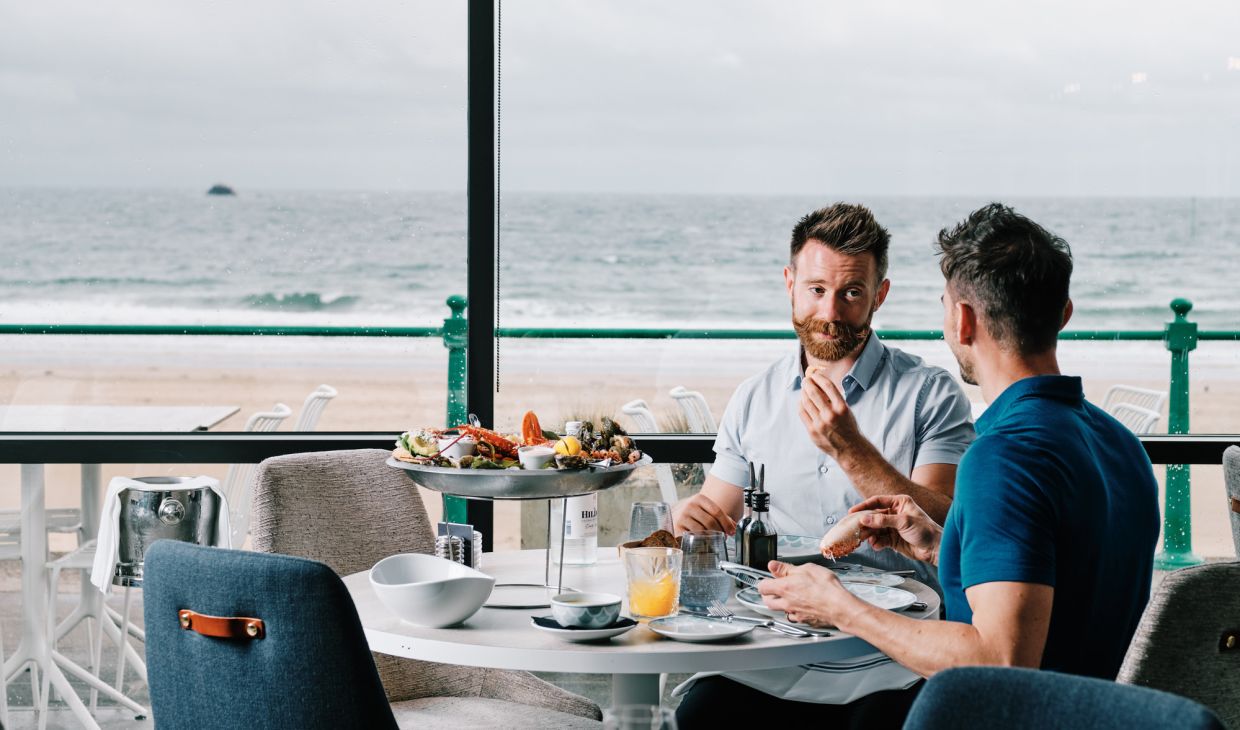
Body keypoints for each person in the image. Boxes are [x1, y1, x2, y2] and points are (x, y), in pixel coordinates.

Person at [751, 203, 1160, 726]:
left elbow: (1001, 661)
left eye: (945, 305)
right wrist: (944, 547)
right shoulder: (1121, 443)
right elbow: (1057, 591)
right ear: (1063, 314)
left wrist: (839, 607)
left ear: (962, 321)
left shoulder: (1003, 458)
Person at [671, 203, 974, 726]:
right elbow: (717, 515)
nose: (831, 311)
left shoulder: (931, 394)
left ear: (879, 294)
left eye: (852, 292)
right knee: (700, 716)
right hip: (768, 646)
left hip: (889, 652)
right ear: (790, 283)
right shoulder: (753, 397)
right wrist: (691, 520)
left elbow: (945, 523)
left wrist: (850, 449)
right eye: (816, 289)